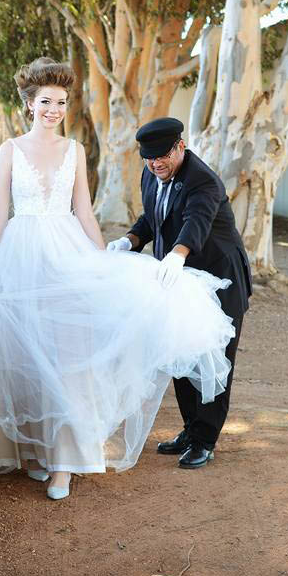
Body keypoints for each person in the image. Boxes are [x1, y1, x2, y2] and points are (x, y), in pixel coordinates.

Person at [0, 58, 236, 500]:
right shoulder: (10, 149)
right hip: (20, 258)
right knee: (26, 357)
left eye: (61, 102)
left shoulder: (75, 151)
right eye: (45, 101)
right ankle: (37, 453)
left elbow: (83, 210)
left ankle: (66, 462)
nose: (53, 110)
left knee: (68, 358)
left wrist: (104, 260)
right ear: (29, 104)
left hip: (66, 252)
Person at [106, 117, 252, 469]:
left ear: (180, 148)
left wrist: (177, 254)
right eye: (149, 157)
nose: (156, 163)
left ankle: (205, 440)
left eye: (163, 156)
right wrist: (130, 240)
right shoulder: (150, 173)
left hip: (219, 279)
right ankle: (190, 430)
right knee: (181, 355)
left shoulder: (203, 182)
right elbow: (154, 217)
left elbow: (195, 223)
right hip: (180, 281)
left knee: (213, 360)